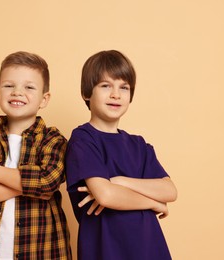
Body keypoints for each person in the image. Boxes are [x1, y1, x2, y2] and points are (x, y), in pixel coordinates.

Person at [0, 51, 72, 260]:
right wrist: (28, 187)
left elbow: (47, 182)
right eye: (9, 86)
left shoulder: (53, 140)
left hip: (42, 251)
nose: (17, 92)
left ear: (44, 99)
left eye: (29, 87)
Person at [66, 50, 177, 260]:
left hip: (149, 248)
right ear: (86, 93)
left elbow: (169, 190)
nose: (116, 94)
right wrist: (154, 203)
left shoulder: (139, 145)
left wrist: (120, 181)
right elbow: (106, 195)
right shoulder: (83, 139)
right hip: (105, 250)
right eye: (106, 86)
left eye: (123, 87)